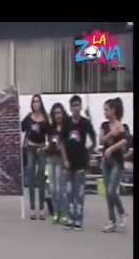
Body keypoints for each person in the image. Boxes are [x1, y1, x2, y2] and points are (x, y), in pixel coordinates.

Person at [62, 95, 96, 231]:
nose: (76, 107)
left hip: (81, 164)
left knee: (79, 193)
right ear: (70, 107)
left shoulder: (86, 123)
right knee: (69, 192)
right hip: (69, 163)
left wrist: (88, 154)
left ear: (81, 106)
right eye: (73, 105)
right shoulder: (66, 122)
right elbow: (61, 142)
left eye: (78, 105)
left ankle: (78, 220)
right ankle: (70, 219)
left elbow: (94, 141)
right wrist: (64, 159)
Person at [99, 98, 129, 232]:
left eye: (106, 109)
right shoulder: (104, 125)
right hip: (106, 162)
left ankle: (122, 212)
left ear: (113, 110)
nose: (104, 112)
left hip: (117, 162)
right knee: (107, 193)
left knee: (112, 190)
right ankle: (112, 221)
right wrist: (111, 133)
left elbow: (124, 142)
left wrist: (111, 148)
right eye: (104, 109)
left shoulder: (120, 125)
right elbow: (101, 140)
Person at [21, 94, 50, 220]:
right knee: (31, 177)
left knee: (41, 177)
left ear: (41, 103)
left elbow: (51, 134)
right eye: (34, 102)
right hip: (30, 149)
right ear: (32, 104)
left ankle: (42, 208)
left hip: (41, 149)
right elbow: (21, 128)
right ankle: (32, 208)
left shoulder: (45, 118)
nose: (36, 104)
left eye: (38, 101)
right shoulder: (28, 117)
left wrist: (47, 146)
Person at [47, 103, 70, 225]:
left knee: (60, 188)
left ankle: (65, 213)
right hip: (51, 159)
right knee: (52, 188)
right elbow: (51, 143)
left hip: (61, 159)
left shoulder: (67, 128)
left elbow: (65, 145)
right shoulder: (51, 129)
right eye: (55, 113)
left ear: (63, 113)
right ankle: (56, 212)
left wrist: (66, 160)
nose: (58, 115)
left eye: (60, 112)